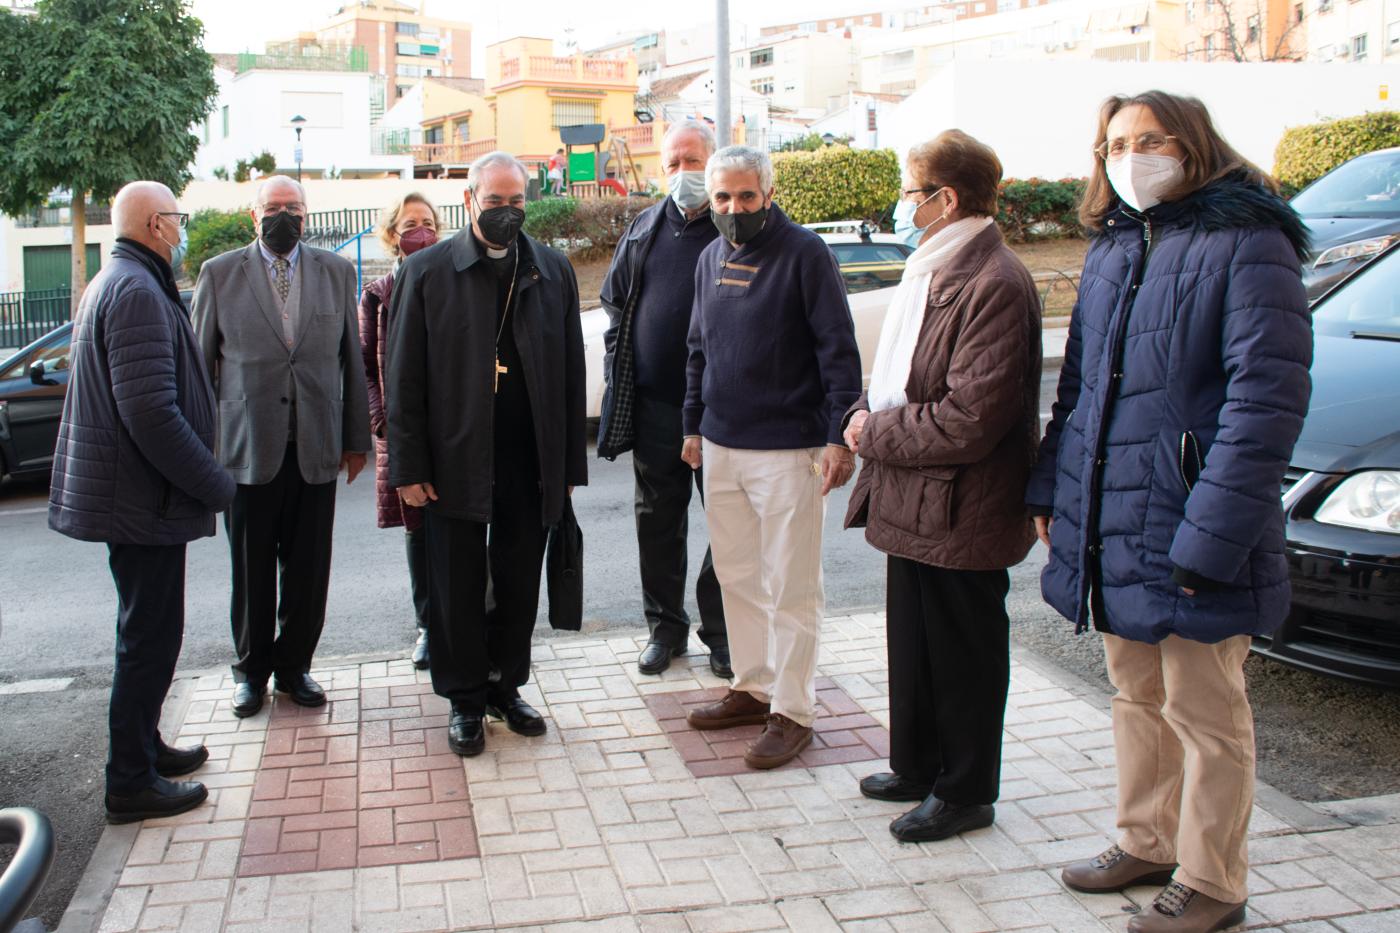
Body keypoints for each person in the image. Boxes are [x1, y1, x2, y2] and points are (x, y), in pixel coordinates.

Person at [1026, 91, 1312, 933]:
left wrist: (1212, 535)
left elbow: (1266, 403)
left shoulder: (1249, 240)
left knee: (1206, 712)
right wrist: (1051, 487)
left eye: (1151, 139)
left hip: (1196, 521)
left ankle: (1213, 879)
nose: (1132, 156)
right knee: (1137, 694)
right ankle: (1146, 839)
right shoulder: (1115, 247)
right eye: (1116, 143)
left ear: (1192, 144)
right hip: (1117, 518)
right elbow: (1079, 390)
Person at [843, 130, 1042, 842]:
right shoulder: (935, 267)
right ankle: (919, 765)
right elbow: (898, 380)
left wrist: (871, 432)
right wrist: (864, 414)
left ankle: (965, 791)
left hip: (964, 503)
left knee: (963, 653)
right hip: (917, 496)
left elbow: (969, 419)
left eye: (909, 191)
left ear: (945, 198)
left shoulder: (994, 281)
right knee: (917, 642)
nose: (903, 206)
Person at [386, 150, 587, 758]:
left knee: (519, 580)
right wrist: (409, 467)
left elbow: (571, 373)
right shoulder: (425, 271)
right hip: (453, 457)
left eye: (516, 201)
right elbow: (403, 376)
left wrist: (567, 467)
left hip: (530, 456)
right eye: (494, 201)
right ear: (470, 200)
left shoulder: (552, 269)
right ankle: (465, 699)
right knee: (457, 584)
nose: (506, 211)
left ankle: (506, 686)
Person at [50, 181, 236, 823]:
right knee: (148, 640)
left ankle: (145, 749)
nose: (183, 230)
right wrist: (216, 485)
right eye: (178, 218)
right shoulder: (135, 291)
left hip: (135, 499)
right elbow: (151, 414)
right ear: (157, 224)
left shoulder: (123, 280)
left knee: (147, 634)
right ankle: (129, 781)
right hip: (142, 502)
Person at [681, 145, 861, 770]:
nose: (734, 209)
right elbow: (698, 350)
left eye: (746, 196)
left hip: (790, 450)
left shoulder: (806, 253)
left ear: (769, 194)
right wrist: (692, 425)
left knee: (791, 586)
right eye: (722, 197)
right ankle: (752, 686)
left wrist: (839, 437)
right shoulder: (709, 257)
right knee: (737, 577)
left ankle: (793, 710)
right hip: (722, 445)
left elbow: (838, 348)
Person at [192, 175, 371, 720]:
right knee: (250, 571)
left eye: (293, 207)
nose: (284, 216)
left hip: (316, 445)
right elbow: (200, 370)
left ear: (307, 215)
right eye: (273, 207)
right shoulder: (219, 273)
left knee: (309, 568)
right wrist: (203, 450)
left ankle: (295, 668)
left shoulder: (336, 272)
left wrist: (356, 440)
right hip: (246, 449)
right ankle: (251, 673)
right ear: (255, 215)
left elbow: (352, 359)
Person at [598, 122, 729, 678]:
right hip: (656, 407)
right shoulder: (643, 228)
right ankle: (664, 630)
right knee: (656, 522)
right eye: (673, 163)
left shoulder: (733, 225)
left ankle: (723, 633)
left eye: (693, 161)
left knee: (729, 524)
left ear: (713, 161)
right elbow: (615, 303)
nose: (682, 173)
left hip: (723, 412)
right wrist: (620, 363)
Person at [359, 193, 441, 670]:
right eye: (411, 224)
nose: (422, 232)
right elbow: (366, 367)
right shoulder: (378, 294)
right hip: (403, 432)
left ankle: (465, 621)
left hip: (451, 429)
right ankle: (428, 625)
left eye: (429, 222)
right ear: (392, 234)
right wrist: (381, 422)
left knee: (464, 526)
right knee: (418, 529)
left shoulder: (453, 280)